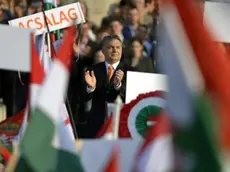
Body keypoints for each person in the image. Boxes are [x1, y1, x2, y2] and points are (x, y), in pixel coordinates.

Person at [82, 35, 132, 138]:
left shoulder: (131, 71)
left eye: (118, 47)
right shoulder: (92, 70)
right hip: (97, 126)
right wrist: (91, 88)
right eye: (110, 47)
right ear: (103, 50)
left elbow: (131, 95)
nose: (115, 50)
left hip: (121, 125)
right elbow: (82, 97)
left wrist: (118, 85)